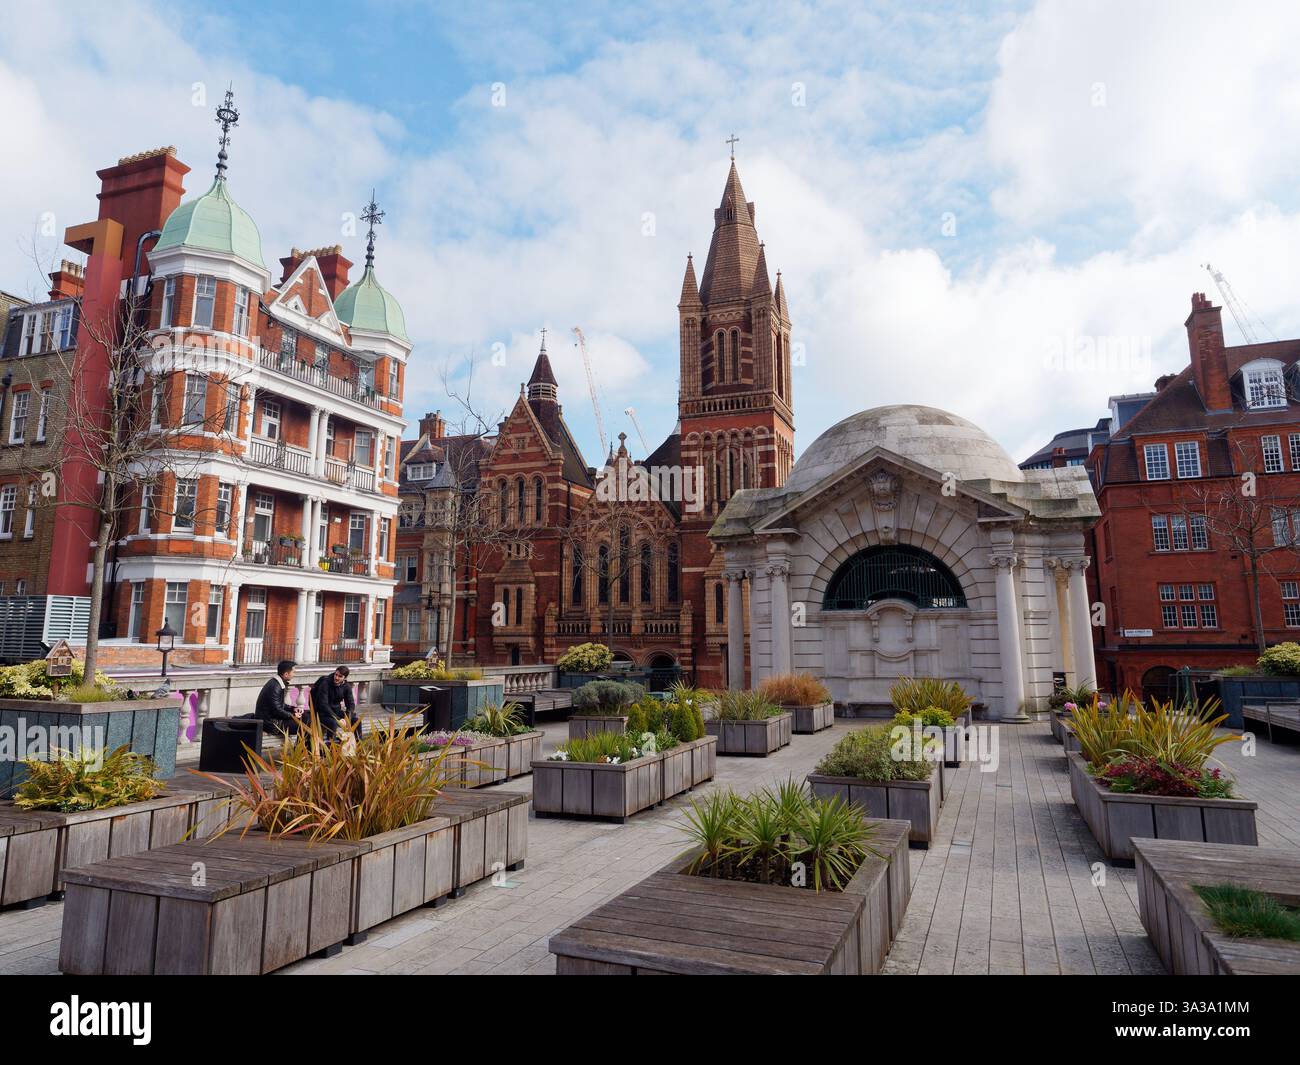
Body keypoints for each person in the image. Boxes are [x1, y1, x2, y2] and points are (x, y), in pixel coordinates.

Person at [255, 660, 303, 737]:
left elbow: (279, 705)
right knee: (304, 726)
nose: (294, 674)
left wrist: (293, 708)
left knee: (306, 717)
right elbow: (276, 710)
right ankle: (300, 747)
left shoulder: (277, 683)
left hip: (274, 720)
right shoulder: (275, 686)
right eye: (293, 672)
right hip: (272, 724)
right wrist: (293, 715)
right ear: (286, 674)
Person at [310, 665, 358, 739]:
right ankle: (331, 746)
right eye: (336, 674)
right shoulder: (325, 683)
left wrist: (347, 718)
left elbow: (351, 704)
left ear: (344, 678)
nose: (336, 678)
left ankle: (357, 742)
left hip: (335, 711)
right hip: (321, 713)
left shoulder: (346, 686)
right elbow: (323, 705)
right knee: (333, 723)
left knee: (355, 720)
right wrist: (338, 719)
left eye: (340, 676)